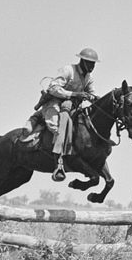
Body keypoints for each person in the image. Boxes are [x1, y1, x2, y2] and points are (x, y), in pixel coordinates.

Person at [20, 48, 99, 181]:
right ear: (82, 61)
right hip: (54, 104)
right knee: (58, 129)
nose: (92, 66)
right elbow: (53, 88)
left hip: (72, 108)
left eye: (93, 64)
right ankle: (59, 164)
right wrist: (73, 94)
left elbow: (93, 93)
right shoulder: (68, 70)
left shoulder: (88, 78)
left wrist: (97, 98)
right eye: (90, 63)